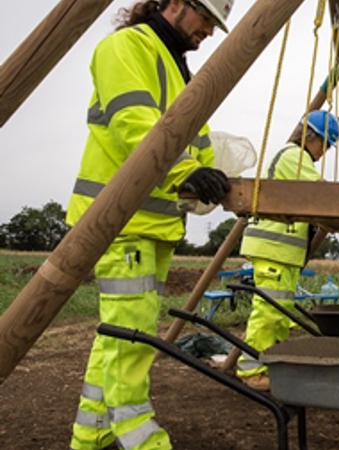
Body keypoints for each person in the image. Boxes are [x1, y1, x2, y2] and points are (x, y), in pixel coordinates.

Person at [66, 1, 234, 448]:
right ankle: (142, 441)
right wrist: (184, 172)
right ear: (177, 3)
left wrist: (207, 174)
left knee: (117, 338)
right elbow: (134, 123)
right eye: (206, 19)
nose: (210, 33)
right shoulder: (125, 46)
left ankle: (90, 439)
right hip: (121, 220)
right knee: (134, 341)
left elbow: (191, 141)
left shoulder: (178, 71)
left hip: (151, 223)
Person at [236, 110, 339, 391]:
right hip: (274, 249)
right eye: (326, 145)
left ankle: (272, 364)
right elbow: (321, 194)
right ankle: (251, 371)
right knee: (269, 312)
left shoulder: (295, 157)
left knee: (280, 313)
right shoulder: (294, 156)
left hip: (281, 252)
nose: (325, 153)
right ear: (313, 138)